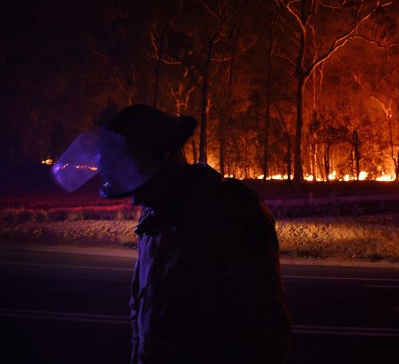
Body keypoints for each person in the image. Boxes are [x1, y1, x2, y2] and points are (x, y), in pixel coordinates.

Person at [53, 104, 291, 363]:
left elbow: (264, 331)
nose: (136, 199)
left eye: (142, 183)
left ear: (169, 161)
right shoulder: (154, 216)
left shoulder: (232, 210)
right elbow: (142, 311)